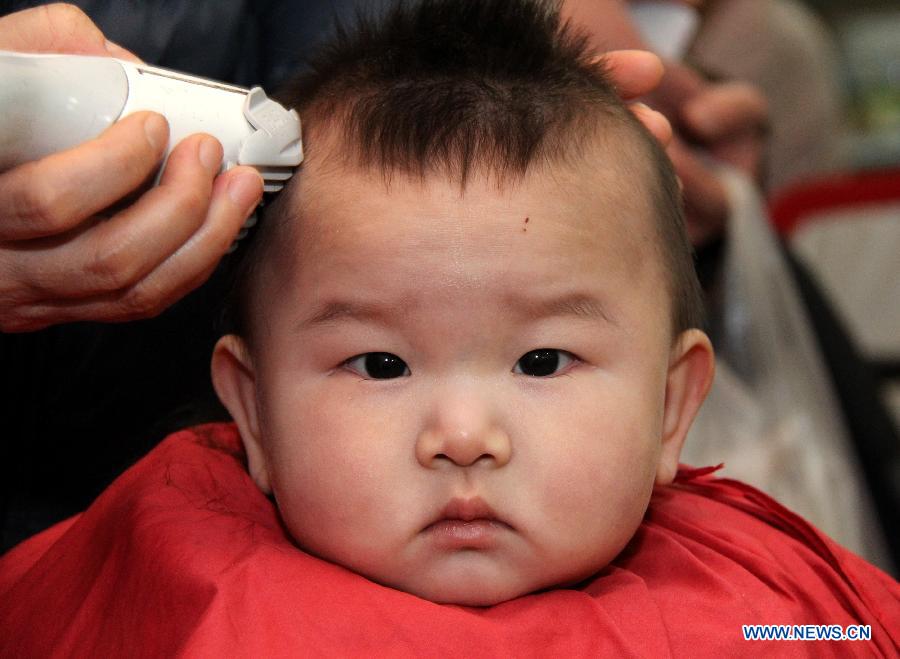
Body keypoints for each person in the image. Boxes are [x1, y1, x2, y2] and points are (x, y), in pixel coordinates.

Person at [1, 1, 896, 654]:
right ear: (254, 412)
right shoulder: (153, 589)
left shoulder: (774, 611)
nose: (463, 437)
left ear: (671, 406)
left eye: (542, 359)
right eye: (380, 363)